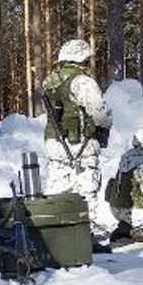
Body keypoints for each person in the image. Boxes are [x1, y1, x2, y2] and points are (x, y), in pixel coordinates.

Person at [40, 39, 111, 198]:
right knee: (85, 196)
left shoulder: (50, 81)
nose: (88, 64)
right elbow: (100, 113)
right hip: (79, 144)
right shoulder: (82, 81)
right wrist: (103, 129)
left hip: (54, 143)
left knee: (58, 195)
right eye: (87, 60)